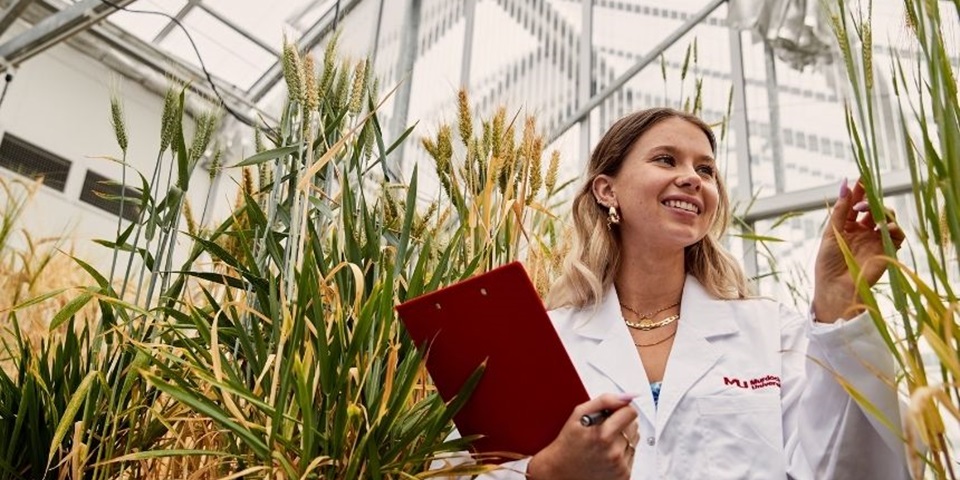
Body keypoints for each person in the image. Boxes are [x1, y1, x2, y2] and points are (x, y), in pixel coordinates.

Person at [435, 107, 910, 479]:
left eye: (706, 169)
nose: (693, 178)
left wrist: (838, 308)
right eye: (666, 159)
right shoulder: (541, 341)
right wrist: (545, 473)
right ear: (606, 190)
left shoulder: (772, 332)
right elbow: (450, 469)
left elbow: (854, 468)